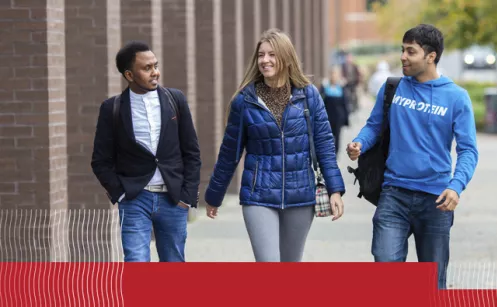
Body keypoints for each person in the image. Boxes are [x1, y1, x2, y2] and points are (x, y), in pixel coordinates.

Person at [346, 24, 479, 289]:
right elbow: (374, 126)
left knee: (433, 283)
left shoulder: (456, 98)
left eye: (411, 51)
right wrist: (359, 142)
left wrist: (456, 186)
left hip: (436, 200)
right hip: (394, 194)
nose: (403, 56)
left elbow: (468, 150)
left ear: (431, 56)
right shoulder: (393, 88)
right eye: (402, 50)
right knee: (385, 263)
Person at [204, 28, 345, 262]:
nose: (265, 60)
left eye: (272, 54)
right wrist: (214, 195)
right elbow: (229, 152)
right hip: (258, 195)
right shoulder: (245, 101)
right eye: (261, 55)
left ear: (286, 58)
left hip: (300, 194)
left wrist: (335, 189)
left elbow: (324, 146)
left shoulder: (308, 96)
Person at [91, 41, 201, 262]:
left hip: (173, 199)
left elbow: (192, 152)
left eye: (155, 65)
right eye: (147, 68)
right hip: (134, 199)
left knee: (173, 264)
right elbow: (100, 160)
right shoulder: (112, 108)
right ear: (129, 75)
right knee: (136, 261)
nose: (155, 72)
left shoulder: (175, 100)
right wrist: (120, 194)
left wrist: (186, 196)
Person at [319, 66, 350, 155]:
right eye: (332, 73)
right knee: (328, 136)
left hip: (339, 117)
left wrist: (346, 119)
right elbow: (320, 100)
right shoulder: (325, 86)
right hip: (328, 116)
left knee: (338, 136)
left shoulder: (341, 87)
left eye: (336, 74)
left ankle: (335, 154)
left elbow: (345, 103)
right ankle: (328, 154)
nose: (334, 76)